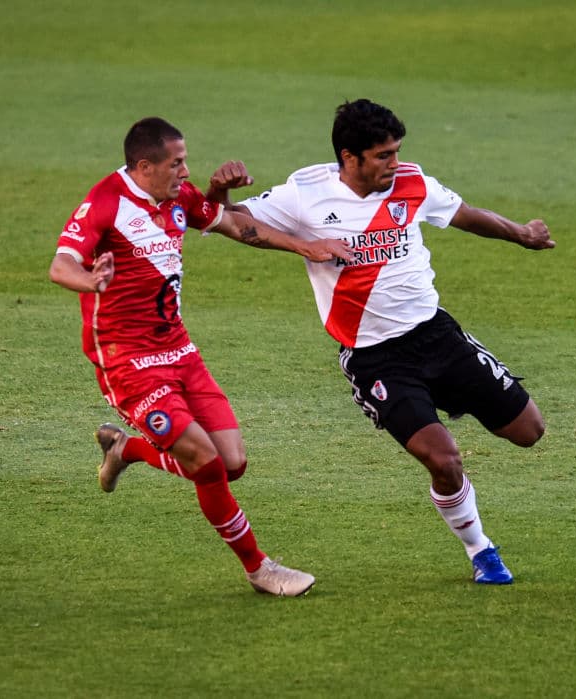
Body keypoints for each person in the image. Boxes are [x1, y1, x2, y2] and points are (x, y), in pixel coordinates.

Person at [208, 99, 555, 585]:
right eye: (383, 155)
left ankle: (457, 418)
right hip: (376, 359)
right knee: (444, 459)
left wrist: (522, 234)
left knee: (529, 431)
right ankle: (481, 549)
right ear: (350, 157)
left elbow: (465, 214)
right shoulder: (307, 193)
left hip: (437, 335)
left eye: (397, 152)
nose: (395, 163)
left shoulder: (411, 182)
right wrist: (219, 191)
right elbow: (233, 222)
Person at [49, 116, 351, 596]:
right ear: (145, 166)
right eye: (177, 163)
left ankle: (127, 449)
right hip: (126, 361)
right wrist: (89, 280)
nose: (185, 171)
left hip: (179, 350)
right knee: (206, 464)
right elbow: (60, 264)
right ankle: (260, 569)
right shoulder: (105, 204)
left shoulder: (178, 198)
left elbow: (230, 223)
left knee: (232, 464)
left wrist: (304, 246)